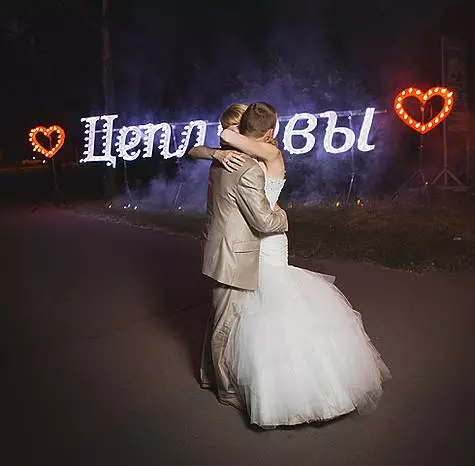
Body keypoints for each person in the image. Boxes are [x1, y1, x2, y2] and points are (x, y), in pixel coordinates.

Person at [191, 102, 391, 429]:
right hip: (256, 238)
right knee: (246, 312)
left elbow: (228, 136)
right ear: (269, 131)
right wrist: (217, 153)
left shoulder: (267, 157)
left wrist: (278, 215)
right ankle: (238, 380)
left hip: (266, 242)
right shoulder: (247, 159)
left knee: (266, 307)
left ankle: (263, 386)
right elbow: (217, 144)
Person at [189, 103, 289, 410]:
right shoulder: (242, 165)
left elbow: (210, 144)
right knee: (226, 322)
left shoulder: (225, 160)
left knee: (222, 317)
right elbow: (263, 220)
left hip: (224, 247)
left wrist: (216, 151)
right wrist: (284, 218)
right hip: (238, 251)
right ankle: (226, 388)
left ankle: (211, 375)